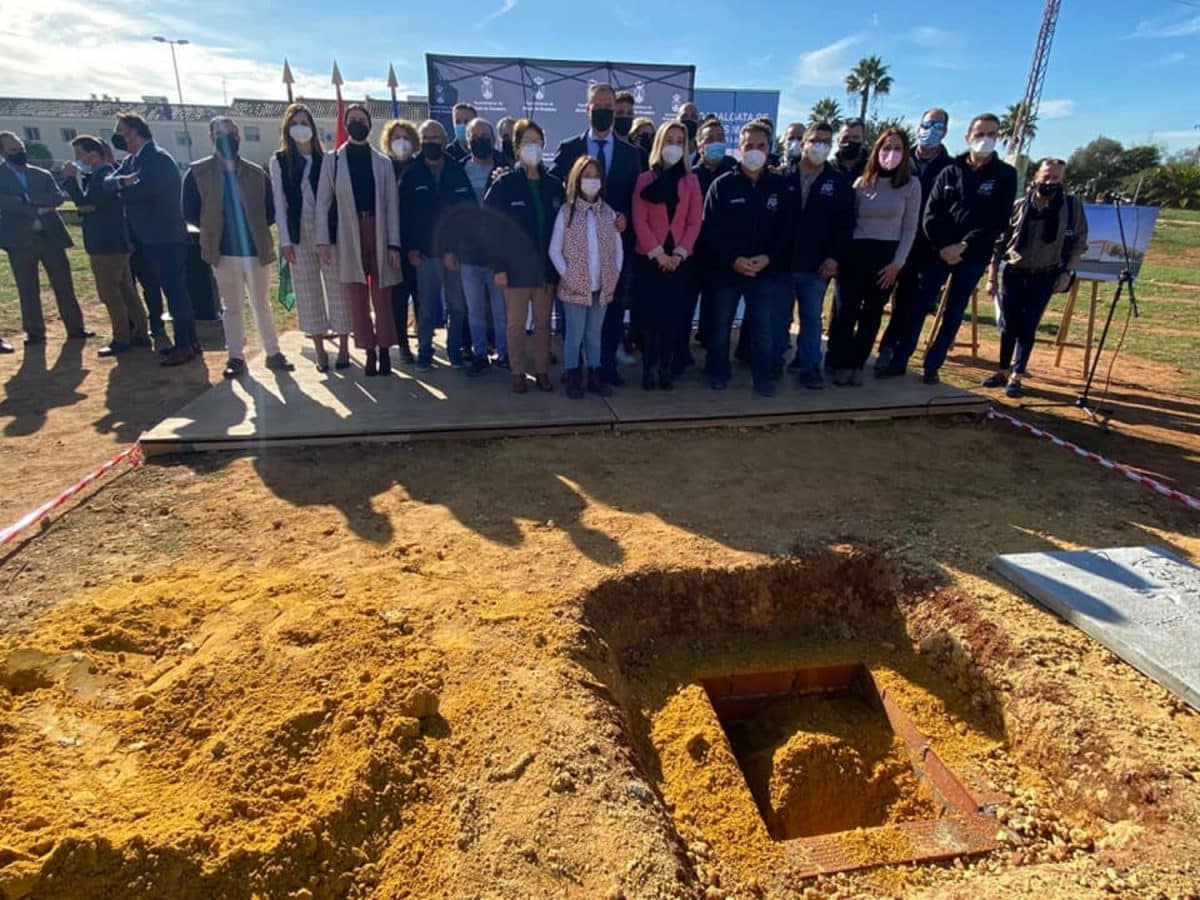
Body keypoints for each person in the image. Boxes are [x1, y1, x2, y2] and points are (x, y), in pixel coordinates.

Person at [183, 117, 293, 378]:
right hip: (222, 253)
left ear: (238, 136)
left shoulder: (256, 173)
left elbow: (269, 211)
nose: (227, 138)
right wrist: (213, 231)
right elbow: (189, 211)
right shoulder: (198, 172)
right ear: (211, 137)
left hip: (256, 251)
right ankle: (235, 357)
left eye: (231, 133)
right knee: (231, 307)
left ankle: (273, 352)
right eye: (221, 134)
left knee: (261, 304)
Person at [550, 82, 641, 386]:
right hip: (576, 253)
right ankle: (572, 369)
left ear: (615, 111)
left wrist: (626, 218)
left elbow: (634, 198)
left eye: (608, 106)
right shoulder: (569, 148)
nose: (602, 111)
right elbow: (552, 190)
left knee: (611, 311)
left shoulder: (631, 154)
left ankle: (604, 369)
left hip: (614, 247)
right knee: (573, 318)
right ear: (587, 109)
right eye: (597, 106)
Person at [918, 112, 1018, 384]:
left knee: (954, 311)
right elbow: (932, 212)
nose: (985, 139)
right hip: (939, 251)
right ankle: (900, 359)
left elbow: (998, 220)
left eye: (991, 134)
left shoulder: (1005, 175)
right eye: (980, 134)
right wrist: (943, 245)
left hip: (973, 254)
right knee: (920, 304)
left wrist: (964, 245)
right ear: (968, 137)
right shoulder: (950, 170)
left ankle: (933, 365)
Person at [702, 121, 793, 397]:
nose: (755, 151)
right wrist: (733, 259)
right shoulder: (722, 185)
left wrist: (768, 258)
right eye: (749, 146)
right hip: (728, 272)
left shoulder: (781, 186)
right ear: (740, 149)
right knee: (720, 328)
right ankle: (719, 372)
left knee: (763, 330)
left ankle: (762, 378)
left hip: (765, 273)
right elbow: (710, 231)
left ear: (769, 148)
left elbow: (787, 230)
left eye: (761, 146)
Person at [983, 158, 1087, 398]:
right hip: (1014, 273)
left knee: (1028, 327)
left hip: (1045, 275)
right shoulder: (1019, 206)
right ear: (1036, 177)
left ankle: (1017, 375)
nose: (1051, 182)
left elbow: (1079, 242)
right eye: (1047, 176)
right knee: (1007, 326)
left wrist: (1067, 272)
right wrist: (992, 276)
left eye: (1056, 178)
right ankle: (1001, 370)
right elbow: (999, 244)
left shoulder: (1071, 208)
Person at [826, 128, 920, 387]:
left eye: (897, 148)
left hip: (886, 258)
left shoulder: (911, 186)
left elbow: (910, 228)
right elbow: (849, 222)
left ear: (905, 152)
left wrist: (897, 264)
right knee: (846, 312)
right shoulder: (862, 183)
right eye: (886, 148)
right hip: (855, 255)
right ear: (877, 151)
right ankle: (840, 362)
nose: (890, 153)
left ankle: (858, 363)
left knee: (872, 313)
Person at [315, 103, 404, 376]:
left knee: (383, 294)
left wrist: (393, 244)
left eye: (361, 119)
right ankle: (368, 351)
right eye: (352, 119)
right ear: (345, 124)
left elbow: (391, 205)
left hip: (378, 228)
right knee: (357, 296)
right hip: (348, 232)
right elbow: (323, 202)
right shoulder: (333, 160)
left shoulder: (383, 161)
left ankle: (386, 349)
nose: (357, 123)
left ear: (369, 124)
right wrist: (322, 240)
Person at [106, 111, 198, 366]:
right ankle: (189, 342)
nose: (118, 136)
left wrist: (121, 188)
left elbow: (142, 192)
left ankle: (185, 345)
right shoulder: (133, 161)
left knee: (176, 293)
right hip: (148, 239)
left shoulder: (156, 158)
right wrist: (124, 183)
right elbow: (107, 183)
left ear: (134, 131)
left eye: (121, 130)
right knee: (173, 292)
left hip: (166, 239)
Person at [270, 102, 353, 372]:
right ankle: (319, 350)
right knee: (308, 293)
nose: (300, 129)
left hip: (327, 235)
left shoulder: (327, 159)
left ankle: (343, 347)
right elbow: (279, 204)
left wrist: (329, 236)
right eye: (294, 124)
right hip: (298, 234)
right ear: (287, 129)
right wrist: (285, 242)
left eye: (304, 123)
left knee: (338, 291)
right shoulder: (279, 161)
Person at [485, 119, 565, 394]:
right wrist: (498, 266)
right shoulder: (504, 184)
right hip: (514, 271)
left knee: (543, 324)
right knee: (516, 324)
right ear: (516, 150)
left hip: (545, 271)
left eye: (537, 142)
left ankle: (541, 371)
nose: (533, 148)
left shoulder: (555, 186)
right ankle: (518, 371)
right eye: (527, 143)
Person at [875, 108, 954, 377]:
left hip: (926, 249)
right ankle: (880, 348)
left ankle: (898, 356)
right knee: (879, 298)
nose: (930, 129)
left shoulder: (951, 167)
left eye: (937, 125)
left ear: (946, 131)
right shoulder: (900, 161)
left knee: (912, 305)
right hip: (889, 243)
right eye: (926, 124)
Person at [59, 136, 148, 356]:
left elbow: (86, 204)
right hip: (116, 243)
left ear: (94, 155)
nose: (76, 160)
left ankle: (122, 337)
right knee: (127, 291)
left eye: (79, 154)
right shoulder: (98, 175)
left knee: (110, 292)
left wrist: (70, 180)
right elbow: (88, 207)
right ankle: (140, 333)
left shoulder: (103, 174)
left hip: (106, 246)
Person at [781, 123, 854, 389]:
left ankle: (811, 367)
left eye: (826, 141)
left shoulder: (838, 183)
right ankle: (775, 363)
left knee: (811, 319)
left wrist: (833, 258)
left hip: (817, 267)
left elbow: (845, 226)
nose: (819, 145)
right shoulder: (783, 177)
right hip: (782, 265)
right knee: (780, 320)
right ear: (803, 144)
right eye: (815, 140)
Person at [0, 131, 88, 350]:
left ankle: (75, 327)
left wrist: (27, 202)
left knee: (64, 285)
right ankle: (34, 331)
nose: (20, 152)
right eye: (13, 150)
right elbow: (5, 203)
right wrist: (36, 206)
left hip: (50, 238)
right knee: (27, 288)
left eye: (21, 148)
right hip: (19, 241)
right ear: (2, 153)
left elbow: (57, 197)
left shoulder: (41, 174)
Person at [399, 119, 475, 370]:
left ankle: (454, 351)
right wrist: (410, 249)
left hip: (453, 255)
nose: (431, 143)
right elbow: (404, 216)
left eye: (436, 139)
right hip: (424, 255)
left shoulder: (456, 171)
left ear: (444, 141)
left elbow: (467, 212)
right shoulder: (412, 174)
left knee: (457, 306)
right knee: (427, 308)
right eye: (426, 139)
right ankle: (425, 352)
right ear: (420, 142)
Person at [632, 121, 703, 390]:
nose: (673, 145)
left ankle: (666, 368)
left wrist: (680, 254)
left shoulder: (691, 181)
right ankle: (648, 369)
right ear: (659, 144)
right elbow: (640, 221)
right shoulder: (645, 179)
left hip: (679, 261)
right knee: (650, 319)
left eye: (678, 141)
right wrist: (658, 254)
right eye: (668, 140)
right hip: (651, 260)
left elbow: (694, 221)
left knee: (672, 319)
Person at [550, 155, 623, 399]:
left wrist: (614, 272)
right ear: (577, 179)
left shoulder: (608, 213)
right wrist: (568, 275)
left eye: (595, 176)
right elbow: (555, 250)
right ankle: (572, 375)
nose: (591, 181)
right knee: (574, 334)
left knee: (594, 334)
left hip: (600, 287)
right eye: (586, 176)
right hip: (574, 288)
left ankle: (594, 375)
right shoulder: (567, 212)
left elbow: (617, 248)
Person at [457, 117, 508, 375]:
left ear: (494, 138)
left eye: (484, 136)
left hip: (498, 254)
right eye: (474, 137)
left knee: (501, 310)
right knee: (475, 310)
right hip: (468, 254)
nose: (480, 141)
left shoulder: (506, 166)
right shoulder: (459, 170)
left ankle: (504, 354)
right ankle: (479, 354)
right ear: (468, 141)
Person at [692, 117, 737, 355]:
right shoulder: (690, 176)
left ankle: (714, 356)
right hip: (692, 253)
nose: (716, 143)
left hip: (721, 256)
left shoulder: (733, 175)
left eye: (720, 138)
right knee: (685, 307)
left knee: (717, 313)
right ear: (699, 145)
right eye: (710, 139)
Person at [381, 118, 421, 363]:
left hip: (417, 244)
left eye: (406, 137)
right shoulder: (384, 168)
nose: (401, 143)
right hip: (393, 243)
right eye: (396, 138)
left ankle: (423, 340)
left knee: (420, 296)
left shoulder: (420, 167)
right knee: (397, 297)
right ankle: (403, 343)